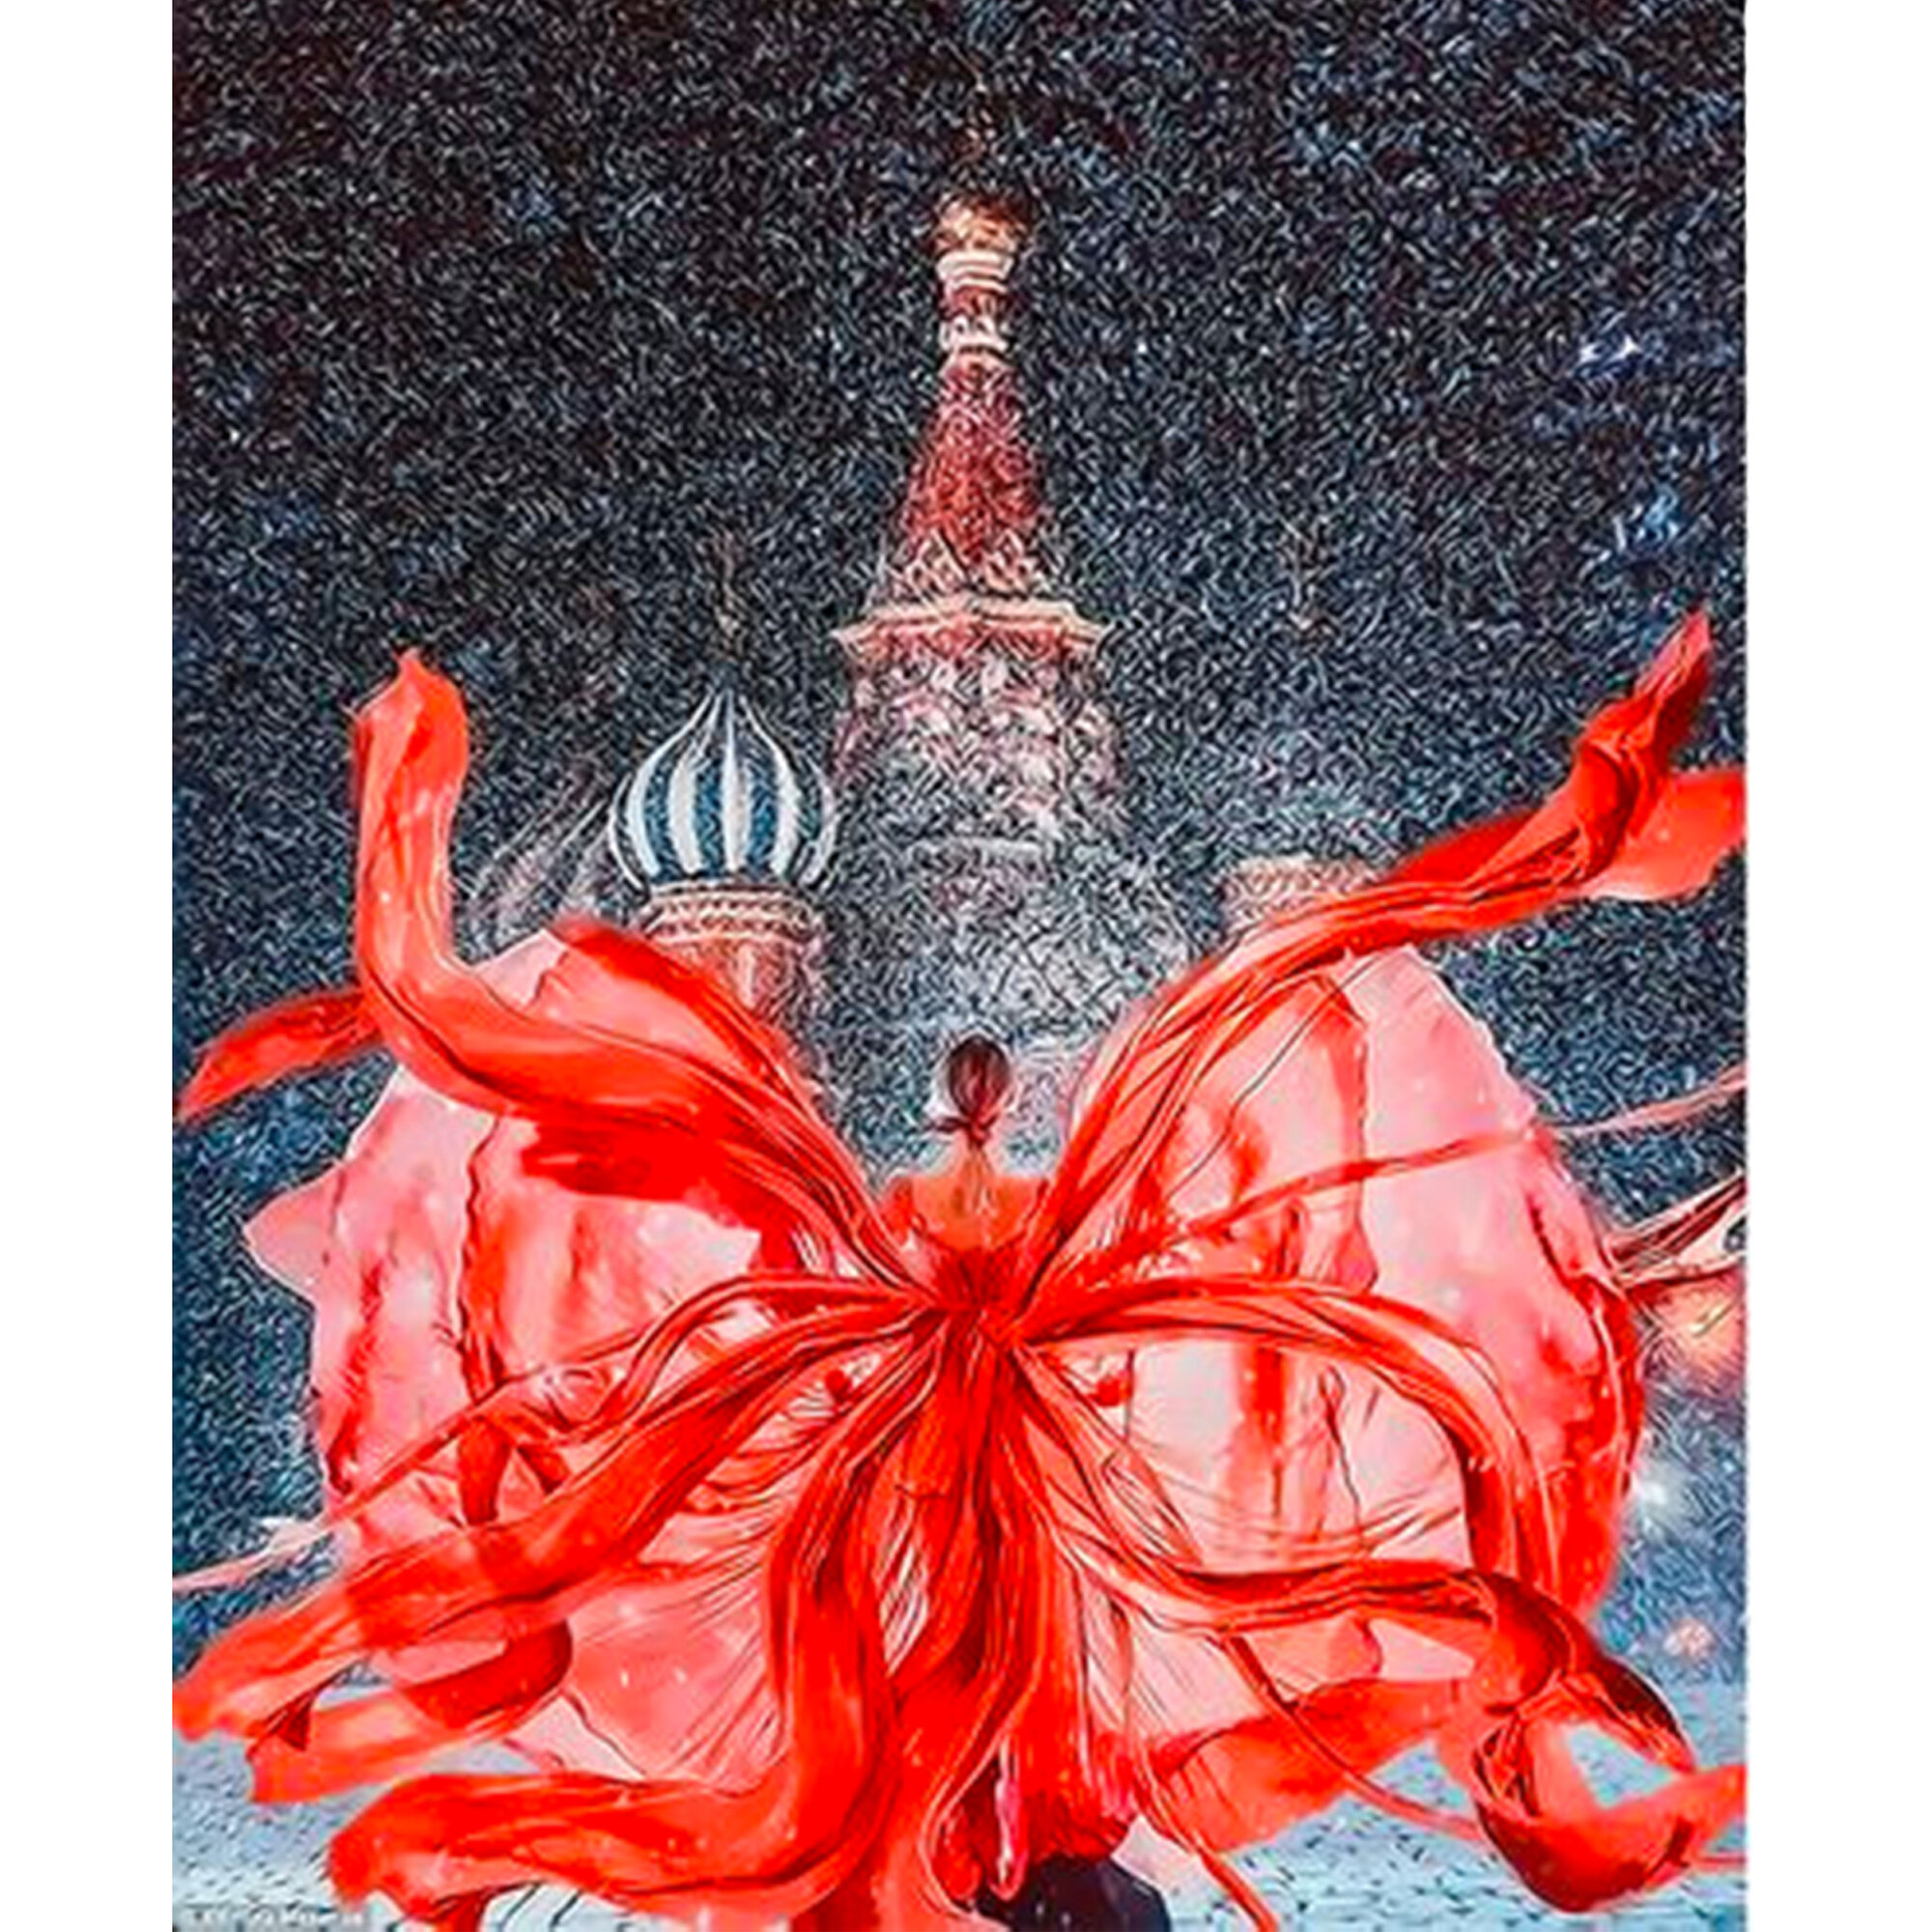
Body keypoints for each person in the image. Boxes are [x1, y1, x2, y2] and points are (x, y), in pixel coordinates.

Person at [175, 611, 1745, 1931]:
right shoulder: (1033, 1223)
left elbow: (834, 1286)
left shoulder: (895, 1223)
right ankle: (1013, 1830)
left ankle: (954, 1836)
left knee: (911, 1665)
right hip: (1019, 1473)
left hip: (925, 1470)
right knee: (1019, 1670)